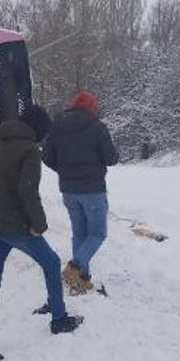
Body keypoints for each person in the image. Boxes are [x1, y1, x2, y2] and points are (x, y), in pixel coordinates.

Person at [0, 104, 82, 361]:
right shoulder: (30, 150)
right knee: (52, 263)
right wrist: (39, 225)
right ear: (39, 129)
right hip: (17, 228)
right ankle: (58, 319)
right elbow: (28, 191)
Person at [43, 91, 119, 294]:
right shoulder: (97, 127)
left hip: (68, 190)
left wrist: (66, 170)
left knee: (80, 233)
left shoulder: (57, 125)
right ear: (92, 107)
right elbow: (111, 158)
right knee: (98, 233)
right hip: (92, 189)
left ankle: (81, 279)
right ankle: (75, 267)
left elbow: (47, 156)